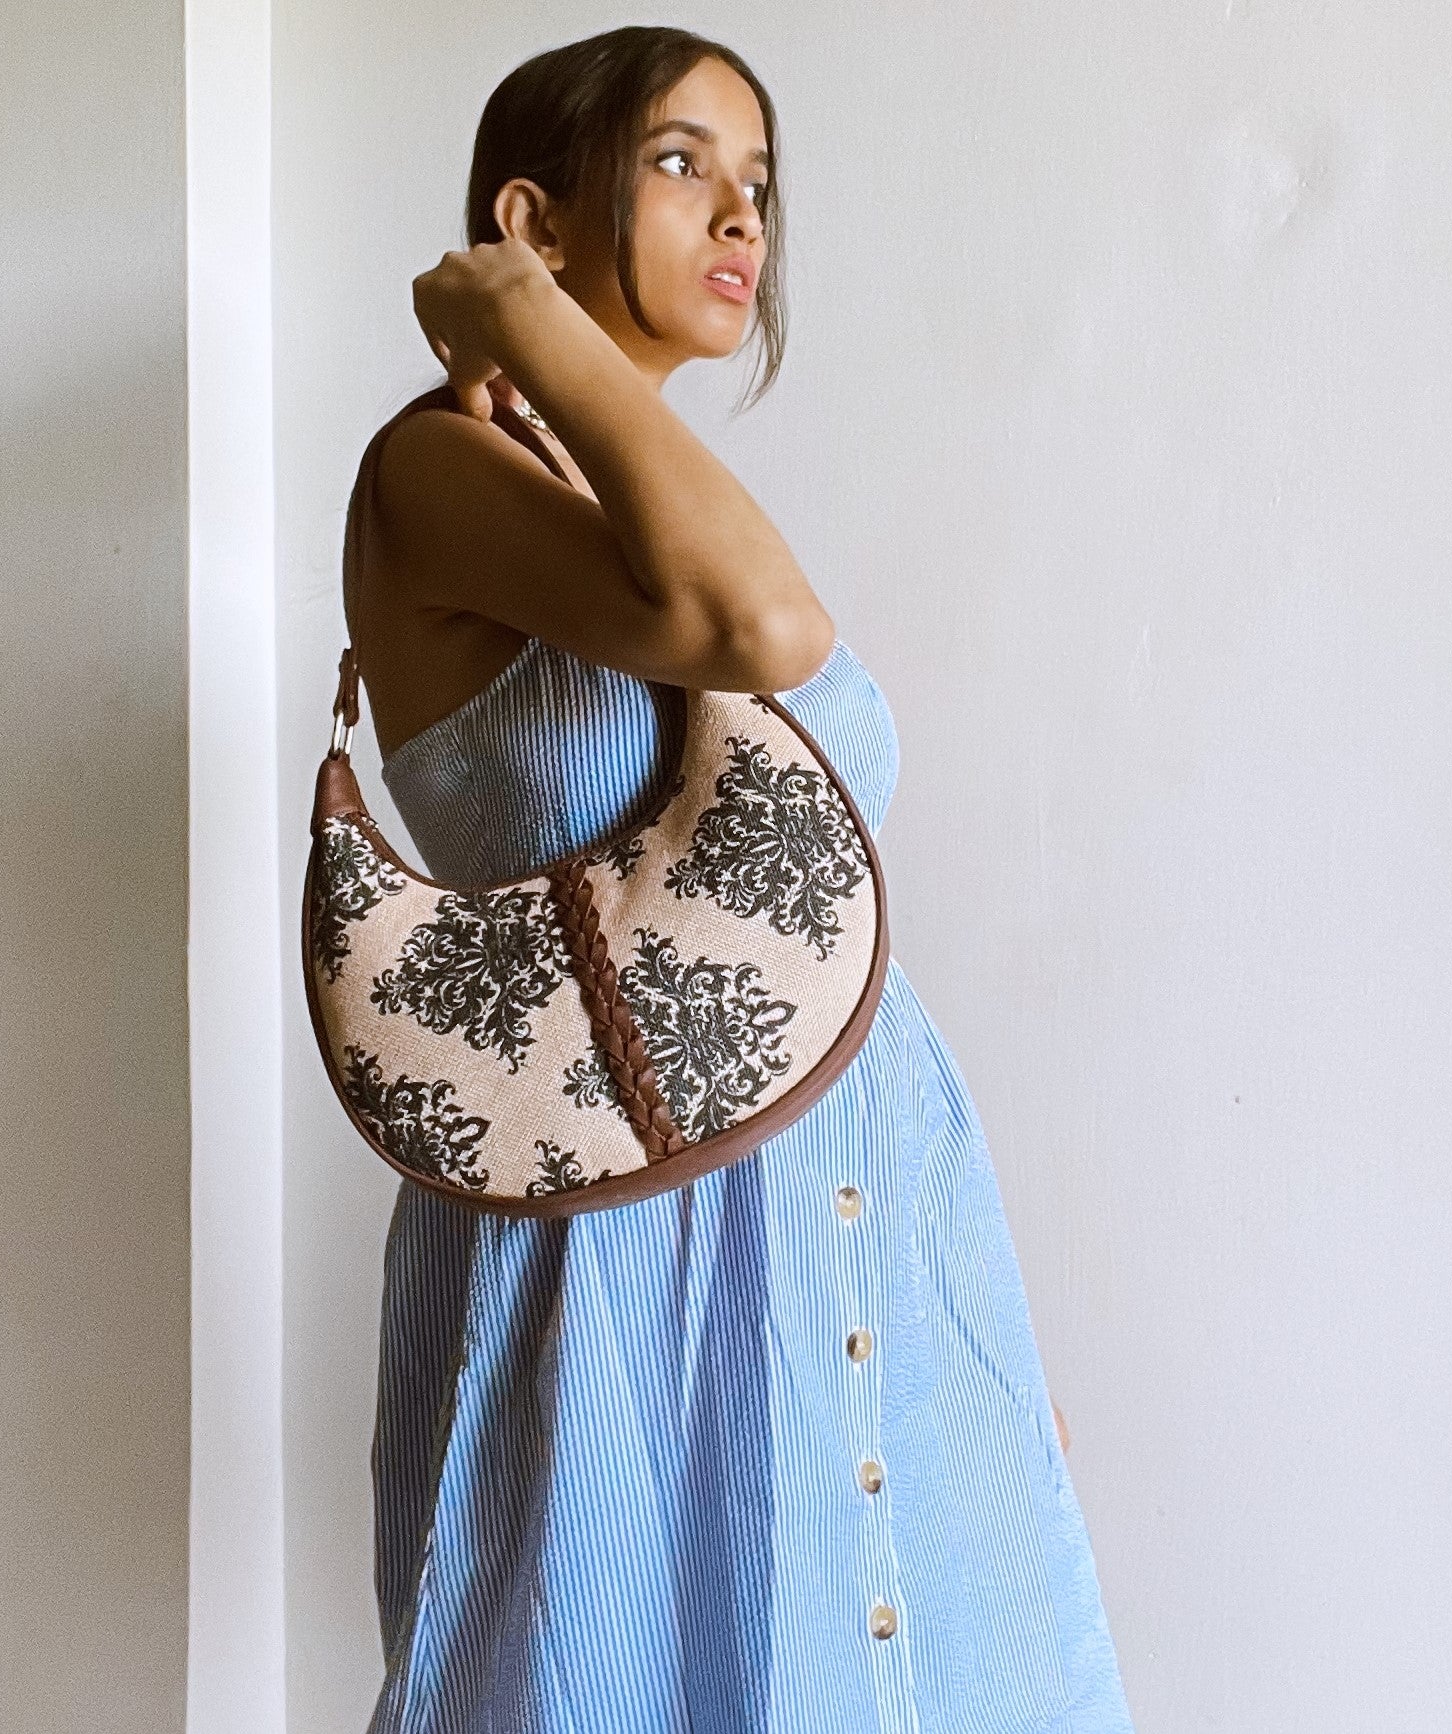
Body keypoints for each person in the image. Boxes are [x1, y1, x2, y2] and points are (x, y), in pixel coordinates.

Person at [349, 24, 1135, 1733]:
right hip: (620, 1217)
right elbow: (759, 629)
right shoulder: (439, 473)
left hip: (858, 1201)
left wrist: (959, 1331)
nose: (740, 219)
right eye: (679, 162)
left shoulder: (654, 504)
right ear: (529, 218)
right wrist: (520, 323)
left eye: (759, 182)